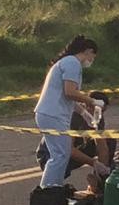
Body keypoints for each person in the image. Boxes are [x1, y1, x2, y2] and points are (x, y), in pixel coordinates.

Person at [34, 36, 99, 189]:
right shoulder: (72, 63)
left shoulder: (66, 62)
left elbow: (68, 96)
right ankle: (49, 189)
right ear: (88, 51)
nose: (91, 60)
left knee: (59, 155)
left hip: (50, 113)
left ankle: (51, 188)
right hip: (53, 114)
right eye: (92, 56)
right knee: (60, 156)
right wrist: (92, 101)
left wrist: (83, 112)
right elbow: (70, 92)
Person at [35, 91, 112, 183]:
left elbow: (102, 146)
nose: (101, 115)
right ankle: (52, 186)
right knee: (62, 164)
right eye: (99, 111)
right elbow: (69, 149)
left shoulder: (97, 117)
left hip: (75, 148)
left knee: (110, 141)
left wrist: (102, 168)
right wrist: (93, 162)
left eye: (103, 112)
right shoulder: (73, 116)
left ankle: (99, 182)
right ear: (87, 106)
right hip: (51, 153)